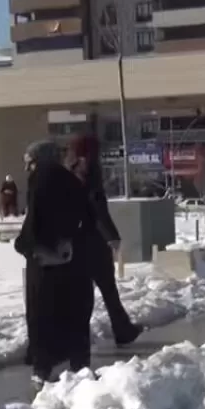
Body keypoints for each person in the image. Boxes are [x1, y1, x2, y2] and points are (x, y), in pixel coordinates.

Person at [15, 139, 94, 383]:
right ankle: (80, 366)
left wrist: (25, 244)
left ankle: (43, 368)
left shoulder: (40, 178)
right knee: (74, 314)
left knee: (42, 315)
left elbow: (36, 219)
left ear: (39, 161)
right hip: (75, 258)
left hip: (45, 261)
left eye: (29, 162)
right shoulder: (72, 180)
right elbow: (88, 216)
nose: (27, 168)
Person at [73, 134, 143, 347]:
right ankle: (122, 330)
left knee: (82, 294)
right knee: (107, 289)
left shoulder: (71, 169)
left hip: (78, 240)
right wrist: (111, 235)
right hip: (94, 240)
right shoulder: (89, 170)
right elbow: (97, 206)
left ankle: (79, 338)